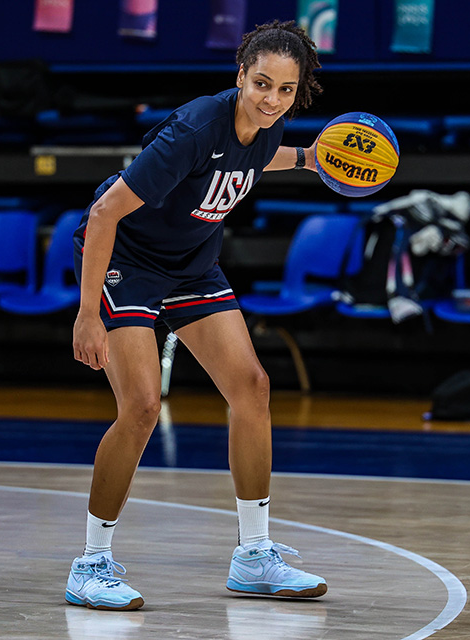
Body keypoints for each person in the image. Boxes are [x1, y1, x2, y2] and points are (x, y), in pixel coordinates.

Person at [66, 20, 327, 611]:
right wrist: (87, 314)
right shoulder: (194, 128)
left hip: (191, 265)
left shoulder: (268, 126)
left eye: (286, 90)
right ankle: (90, 564)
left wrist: (310, 158)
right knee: (140, 407)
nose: (272, 99)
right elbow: (106, 213)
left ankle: (254, 557)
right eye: (262, 84)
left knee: (252, 388)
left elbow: (262, 157)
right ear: (240, 75)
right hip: (125, 259)